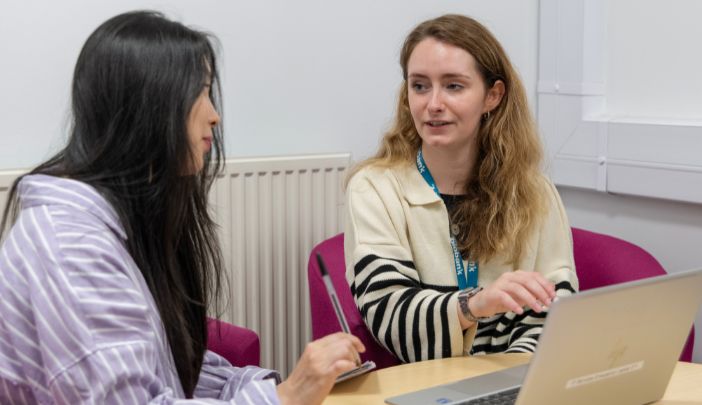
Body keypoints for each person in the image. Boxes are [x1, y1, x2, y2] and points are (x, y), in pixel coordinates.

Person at [0, 11, 363, 404]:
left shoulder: (112, 223)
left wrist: (269, 388)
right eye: (201, 92)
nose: (215, 115)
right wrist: (284, 397)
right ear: (151, 103)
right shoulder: (71, 247)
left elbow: (166, 365)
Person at [344, 14, 578, 363]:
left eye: (453, 86)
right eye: (420, 85)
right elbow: (388, 312)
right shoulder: (374, 188)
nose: (433, 104)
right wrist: (475, 305)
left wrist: (514, 383)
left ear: (492, 96)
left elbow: (555, 309)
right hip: (422, 385)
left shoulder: (535, 191)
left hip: (516, 380)